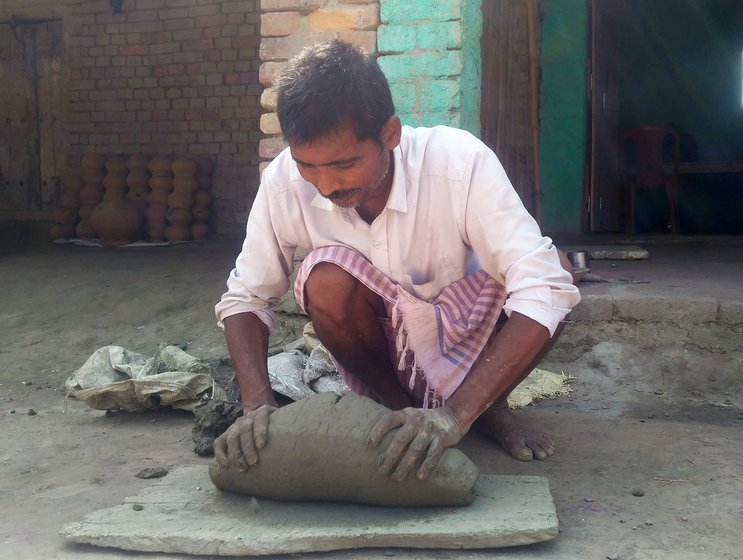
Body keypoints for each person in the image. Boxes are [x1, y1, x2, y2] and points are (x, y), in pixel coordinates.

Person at [213, 40, 580, 481]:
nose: (326, 185)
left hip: (470, 329)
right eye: (308, 166)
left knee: (554, 269)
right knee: (324, 279)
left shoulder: (458, 163)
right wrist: (257, 405)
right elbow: (246, 298)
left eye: (345, 165)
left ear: (390, 134)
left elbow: (544, 286)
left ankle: (484, 410)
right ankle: (401, 412)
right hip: (384, 351)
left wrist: (455, 415)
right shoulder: (284, 183)